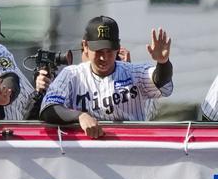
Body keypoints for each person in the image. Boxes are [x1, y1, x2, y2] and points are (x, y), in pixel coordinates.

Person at [40, 17, 172, 138]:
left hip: (130, 149)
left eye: (109, 51)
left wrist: (163, 62)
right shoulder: (72, 74)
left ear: (118, 48)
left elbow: (161, 80)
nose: (104, 57)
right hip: (86, 154)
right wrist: (79, 116)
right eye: (98, 51)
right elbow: (48, 108)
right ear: (85, 46)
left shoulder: (134, 72)